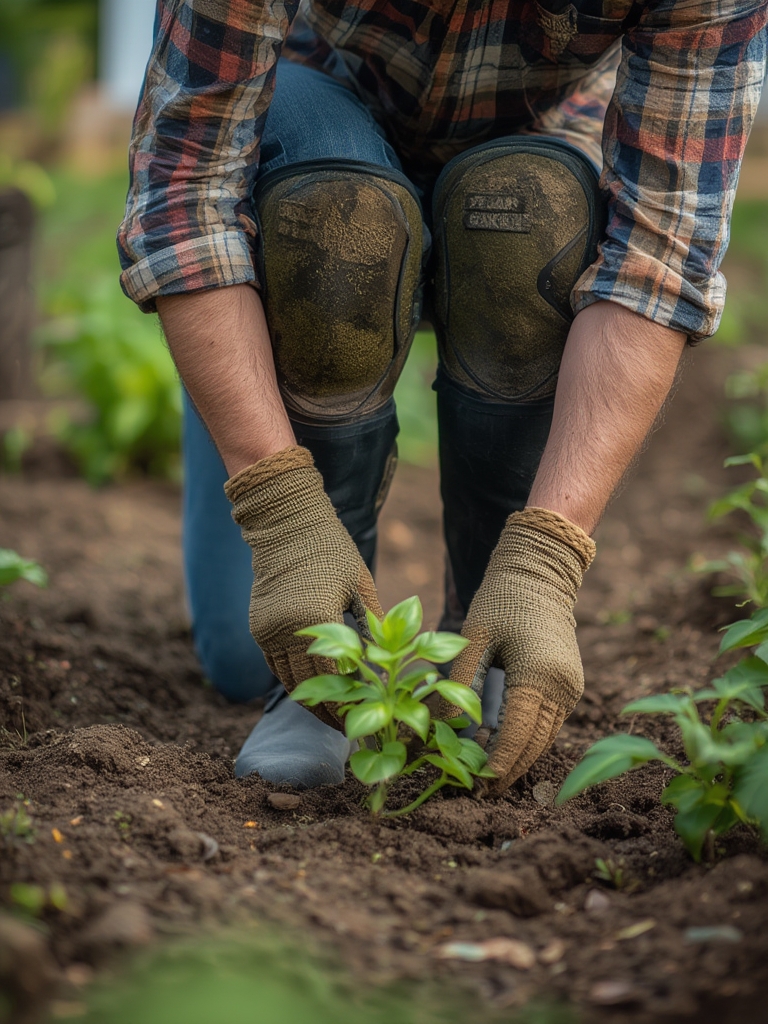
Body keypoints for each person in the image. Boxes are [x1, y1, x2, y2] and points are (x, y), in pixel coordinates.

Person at [118, 0, 767, 794]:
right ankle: (329, 653)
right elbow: (186, 198)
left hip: (538, 129)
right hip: (305, 117)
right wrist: (277, 508)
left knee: (528, 204)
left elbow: (657, 265)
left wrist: (547, 562)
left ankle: (483, 635)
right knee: (336, 214)